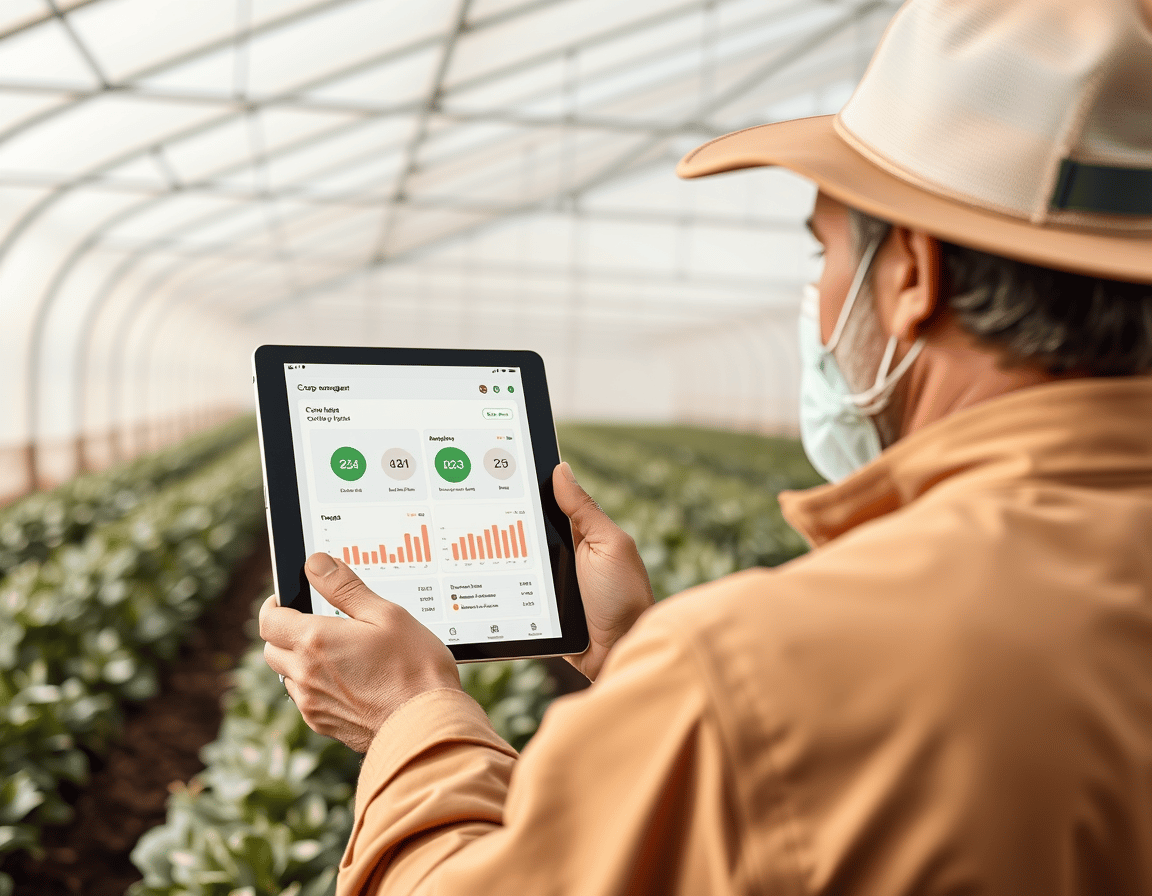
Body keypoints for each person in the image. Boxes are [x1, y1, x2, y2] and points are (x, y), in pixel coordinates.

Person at [259, 0, 1152, 892]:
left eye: (825, 254)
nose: (822, 295)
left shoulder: (765, 672)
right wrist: (636, 657)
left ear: (914, 275)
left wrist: (412, 714)